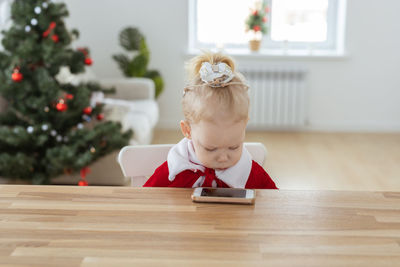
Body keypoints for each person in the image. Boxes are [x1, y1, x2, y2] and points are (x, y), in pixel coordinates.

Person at [144, 52, 277, 189]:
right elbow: (144, 201)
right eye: (211, 148)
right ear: (187, 130)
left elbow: (276, 203)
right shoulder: (175, 169)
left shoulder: (249, 172)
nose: (223, 158)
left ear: (244, 127)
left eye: (234, 147)